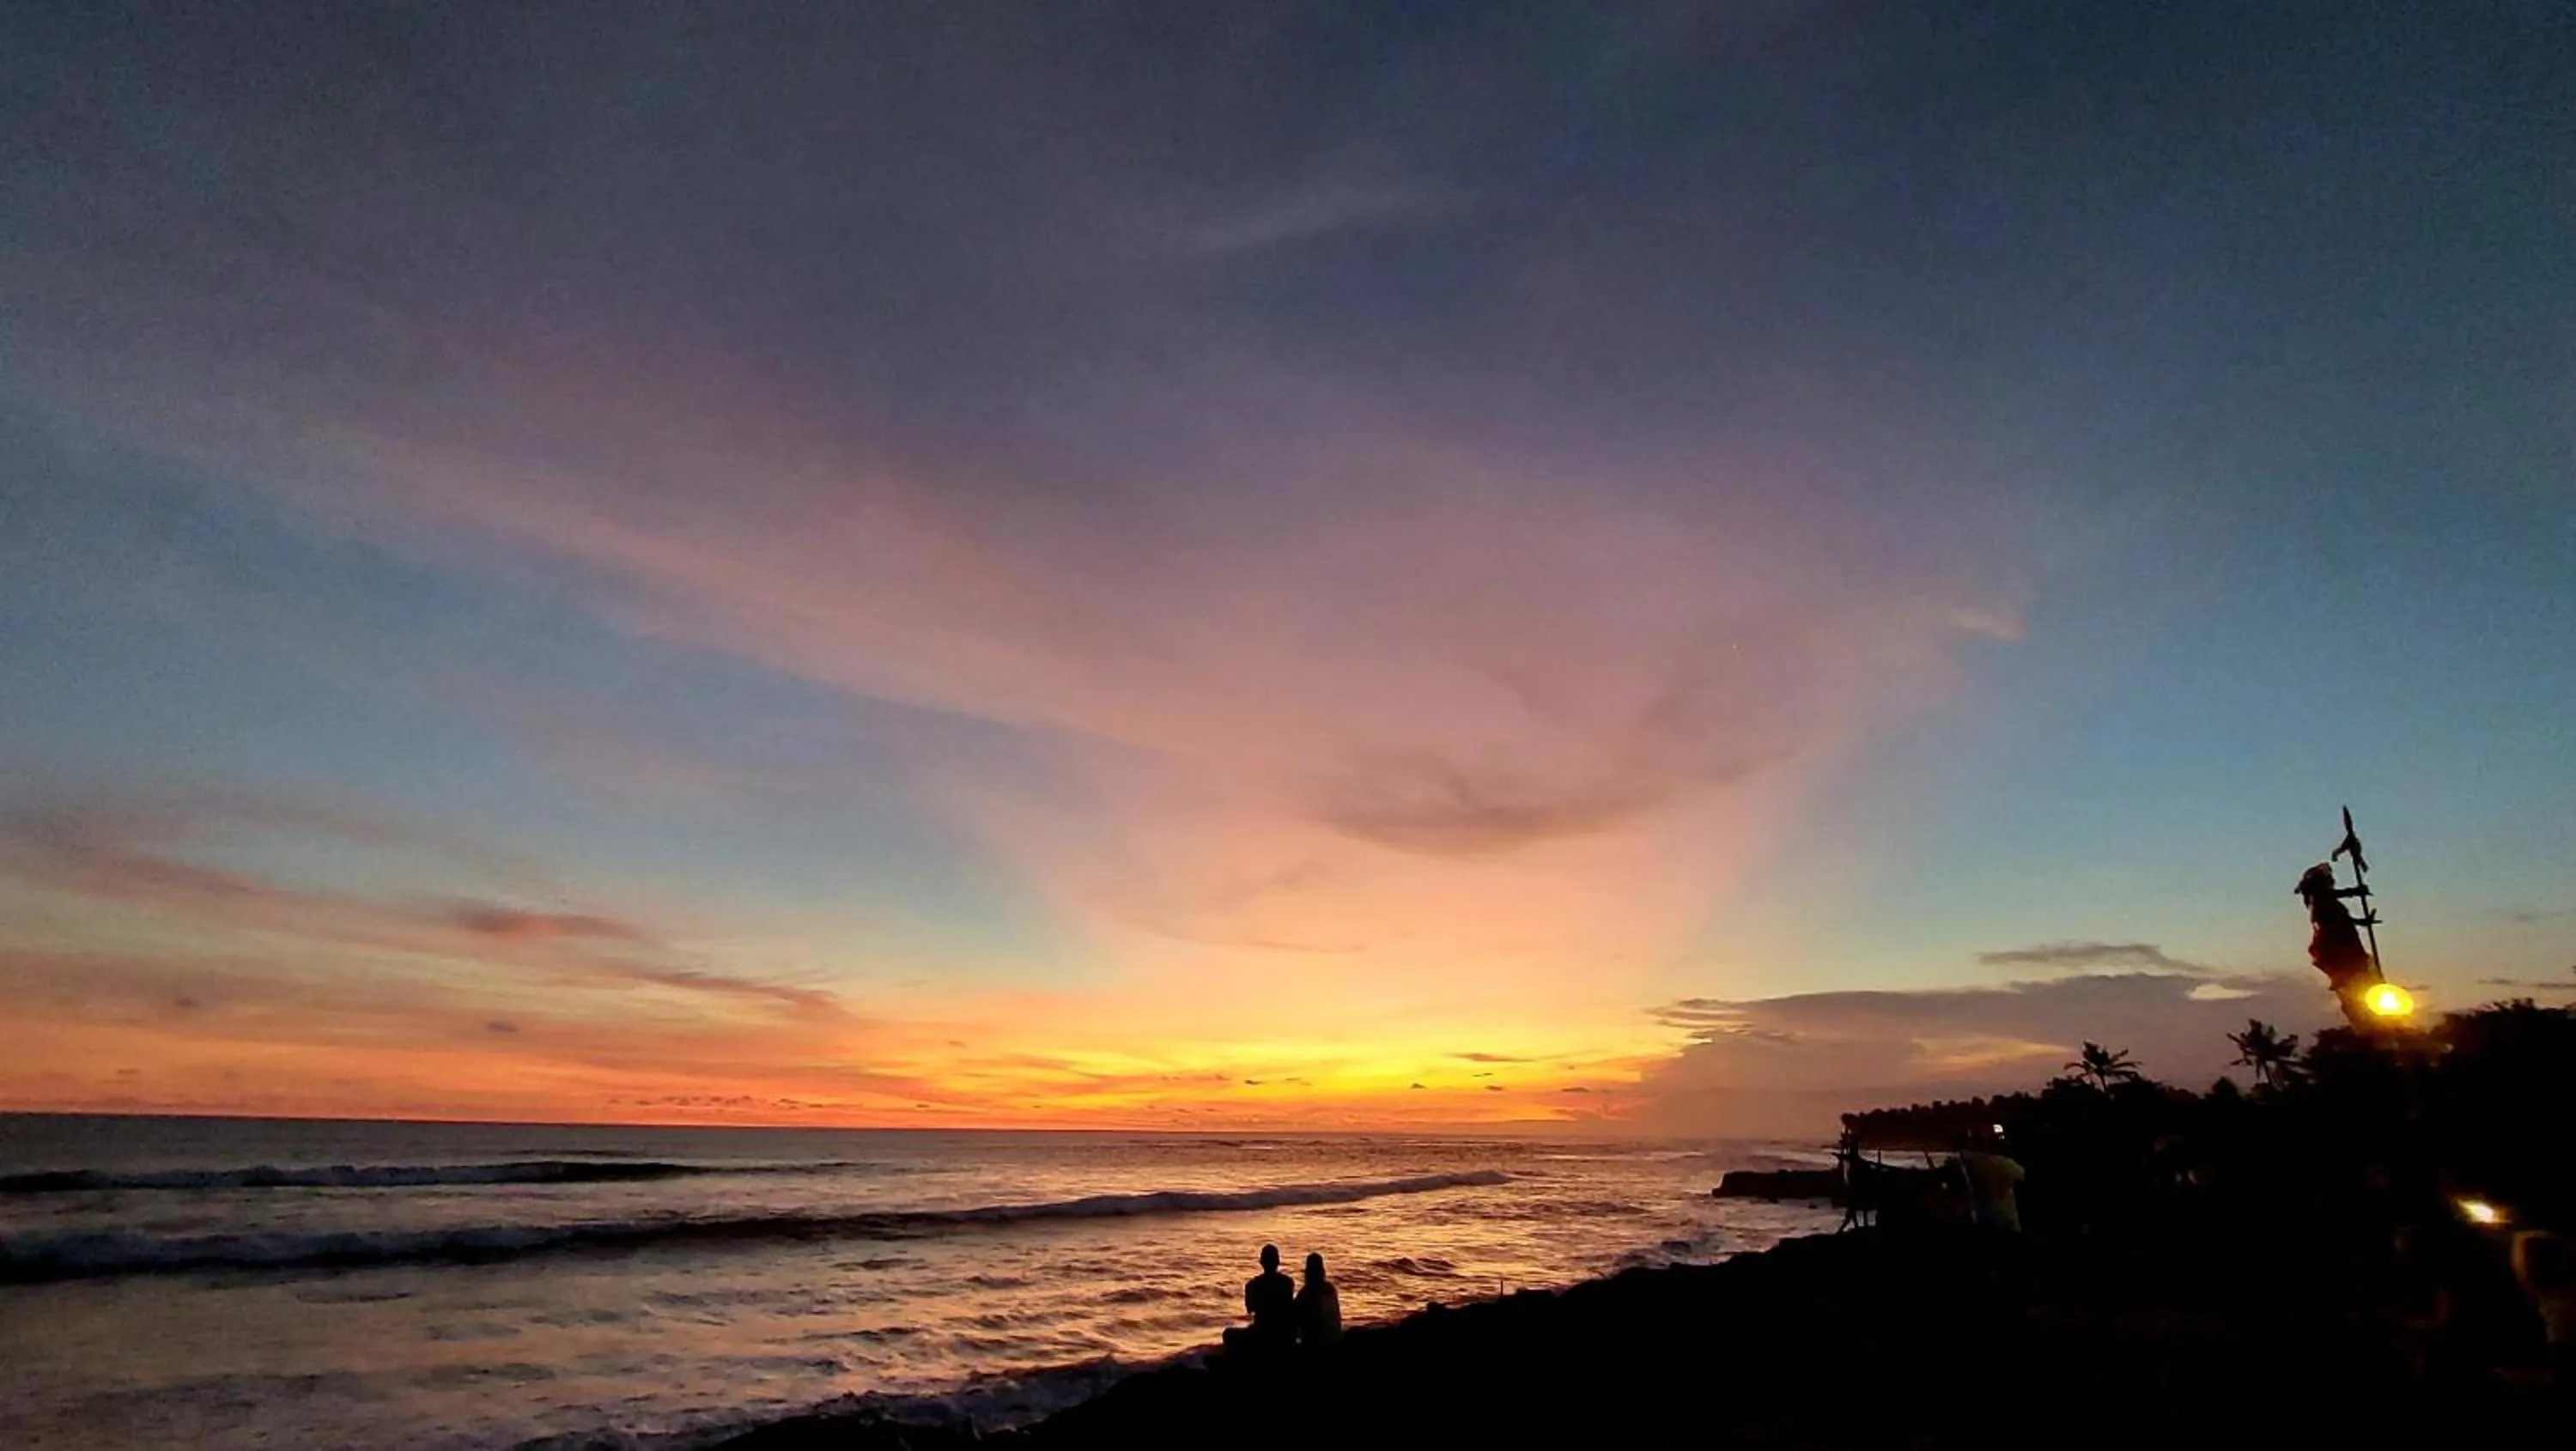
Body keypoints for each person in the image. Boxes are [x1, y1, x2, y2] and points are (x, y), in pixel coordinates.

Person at [2295, 862, 2380, 1029]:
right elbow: (2332, 913)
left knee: (2362, 978)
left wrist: (2363, 921)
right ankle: (2362, 1019)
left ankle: (2372, 1015)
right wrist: (2355, 891)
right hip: (2336, 945)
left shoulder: (2330, 902)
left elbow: (2343, 919)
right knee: (2351, 981)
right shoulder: (2319, 901)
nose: (2331, 881)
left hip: (2347, 941)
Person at [1227, 1242, 1296, 1356]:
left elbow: (1250, 1309)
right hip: (1284, 1334)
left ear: (1261, 1262)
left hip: (1263, 1334)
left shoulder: (1253, 1285)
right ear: (1278, 1262)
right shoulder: (1288, 1282)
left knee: (1228, 1334)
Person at [1296, 1251, 1342, 1348]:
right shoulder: (1330, 1289)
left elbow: (1295, 1319)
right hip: (1333, 1340)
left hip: (1316, 1342)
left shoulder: (1305, 1294)